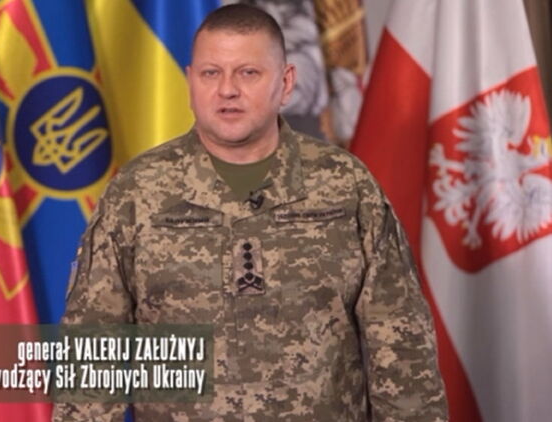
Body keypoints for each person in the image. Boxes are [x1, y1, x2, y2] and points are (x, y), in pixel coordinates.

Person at [54, 4, 447, 421]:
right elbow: (92, 352)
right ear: (190, 81)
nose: (227, 90)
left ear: (286, 83)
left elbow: (402, 345)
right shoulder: (136, 192)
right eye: (211, 73)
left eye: (248, 73)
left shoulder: (346, 186)